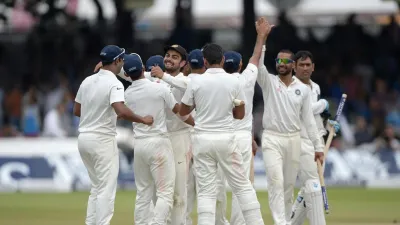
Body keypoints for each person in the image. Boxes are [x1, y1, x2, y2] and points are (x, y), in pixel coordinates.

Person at [179, 19, 268, 225]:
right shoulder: (234, 81)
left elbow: (183, 111)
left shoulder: (195, 81)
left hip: (202, 140)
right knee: (243, 186)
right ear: (221, 59)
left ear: (205, 61)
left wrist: (199, 106)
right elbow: (239, 114)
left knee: (207, 191)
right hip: (227, 139)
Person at [74, 45, 153, 225]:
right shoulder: (114, 83)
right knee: (106, 189)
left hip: (84, 138)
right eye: (122, 59)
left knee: (96, 187)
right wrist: (143, 120)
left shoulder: (87, 81)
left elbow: (77, 110)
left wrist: (99, 112)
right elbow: (121, 110)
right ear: (117, 61)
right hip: (102, 139)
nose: (123, 63)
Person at [257, 42, 325, 224]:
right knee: (276, 182)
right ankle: (280, 223)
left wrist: (318, 146)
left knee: (288, 187)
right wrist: (262, 41)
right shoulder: (269, 82)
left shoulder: (302, 90)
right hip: (272, 138)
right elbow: (259, 65)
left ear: (292, 65)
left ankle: (287, 221)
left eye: (286, 60)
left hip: (294, 139)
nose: (282, 63)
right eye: (279, 60)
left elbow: (310, 121)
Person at [123, 53, 186, 225]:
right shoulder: (160, 89)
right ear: (144, 69)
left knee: (143, 192)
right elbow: (178, 110)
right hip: (159, 143)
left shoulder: (127, 94)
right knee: (165, 192)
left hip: (139, 145)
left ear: (127, 75)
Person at [290, 50, 340, 225]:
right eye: (301, 65)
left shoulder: (316, 87)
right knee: (314, 186)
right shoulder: (290, 87)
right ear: (294, 67)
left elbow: (315, 118)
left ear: (313, 67)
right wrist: (324, 104)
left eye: (308, 65)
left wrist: (329, 126)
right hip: (300, 142)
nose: (305, 68)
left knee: (309, 191)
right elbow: (303, 111)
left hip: (317, 143)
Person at [215, 49, 261, 225]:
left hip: (219, 135)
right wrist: (261, 37)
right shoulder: (246, 79)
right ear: (240, 65)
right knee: (241, 185)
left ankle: (218, 221)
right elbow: (255, 57)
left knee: (217, 184)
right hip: (241, 138)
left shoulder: (214, 82)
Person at [150, 44, 193, 225]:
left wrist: (163, 76)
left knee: (179, 191)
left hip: (179, 138)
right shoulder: (156, 80)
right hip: (158, 138)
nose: (168, 59)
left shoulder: (187, 81)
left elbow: (183, 85)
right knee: (157, 190)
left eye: (174, 57)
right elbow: (134, 75)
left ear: (183, 63)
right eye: (167, 55)